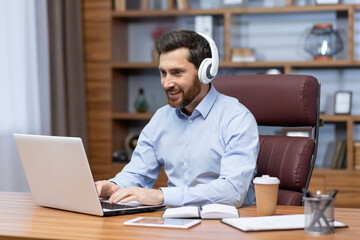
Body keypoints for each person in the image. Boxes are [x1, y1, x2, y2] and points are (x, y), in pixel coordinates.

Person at [95, 30, 259, 207]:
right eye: (163, 73)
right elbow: (138, 173)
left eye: (177, 73)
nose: (167, 83)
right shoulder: (161, 118)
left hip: (226, 225)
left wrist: (161, 196)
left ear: (205, 72)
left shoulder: (237, 119)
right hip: (175, 221)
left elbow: (232, 191)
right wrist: (112, 187)